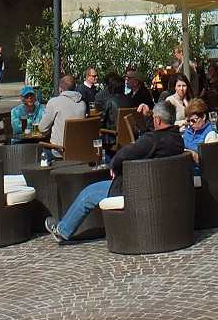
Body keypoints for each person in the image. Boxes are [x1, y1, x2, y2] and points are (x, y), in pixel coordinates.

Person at [44, 100, 184, 243]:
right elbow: (156, 136)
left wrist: (114, 166)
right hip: (161, 188)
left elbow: (124, 153)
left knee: (88, 193)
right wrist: (149, 117)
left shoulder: (151, 140)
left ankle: (63, 230)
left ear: (158, 119)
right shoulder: (177, 139)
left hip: (135, 188)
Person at [38, 75, 86, 153]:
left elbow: (42, 128)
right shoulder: (82, 104)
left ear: (60, 89)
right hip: (79, 150)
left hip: (60, 151)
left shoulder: (54, 102)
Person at [182, 98, 218, 169]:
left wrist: (193, 155)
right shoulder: (188, 131)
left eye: (193, 120)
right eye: (189, 121)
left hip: (200, 175)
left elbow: (210, 164)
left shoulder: (210, 135)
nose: (190, 124)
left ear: (203, 117)